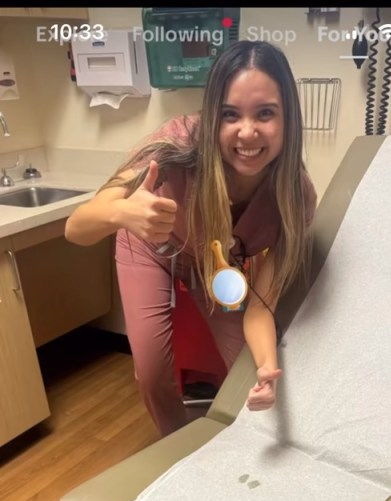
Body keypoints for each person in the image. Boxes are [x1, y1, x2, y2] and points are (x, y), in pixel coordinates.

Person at [65, 40, 317, 438]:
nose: (247, 132)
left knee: (245, 369)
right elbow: (76, 228)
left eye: (265, 113)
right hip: (149, 248)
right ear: (212, 114)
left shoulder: (294, 198)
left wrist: (267, 367)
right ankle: (173, 444)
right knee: (151, 370)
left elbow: (260, 308)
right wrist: (123, 213)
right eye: (230, 114)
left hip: (211, 264)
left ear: (289, 118)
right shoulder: (177, 143)